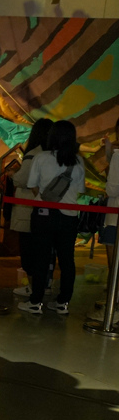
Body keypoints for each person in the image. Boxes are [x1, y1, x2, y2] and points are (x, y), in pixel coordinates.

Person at [18, 120, 85, 314]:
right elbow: (80, 190)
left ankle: (35, 302)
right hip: (69, 216)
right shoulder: (78, 161)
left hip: (43, 214)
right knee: (67, 260)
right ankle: (63, 303)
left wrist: (45, 197)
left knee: (41, 258)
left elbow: (32, 185)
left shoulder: (41, 157)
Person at [10, 118, 54, 297]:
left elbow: (23, 179)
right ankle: (45, 285)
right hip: (50, 209)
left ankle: (33, 288)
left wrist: (13, 175)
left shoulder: (33, 154)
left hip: (28, 207)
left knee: (29, 249)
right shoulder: (54, 154)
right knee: (45, 250)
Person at [89, 117, 119, 326]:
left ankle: (112, 312)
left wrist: (109, 166)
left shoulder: (118, 157)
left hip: (115, 218)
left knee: (115, 267)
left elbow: (112, 189)